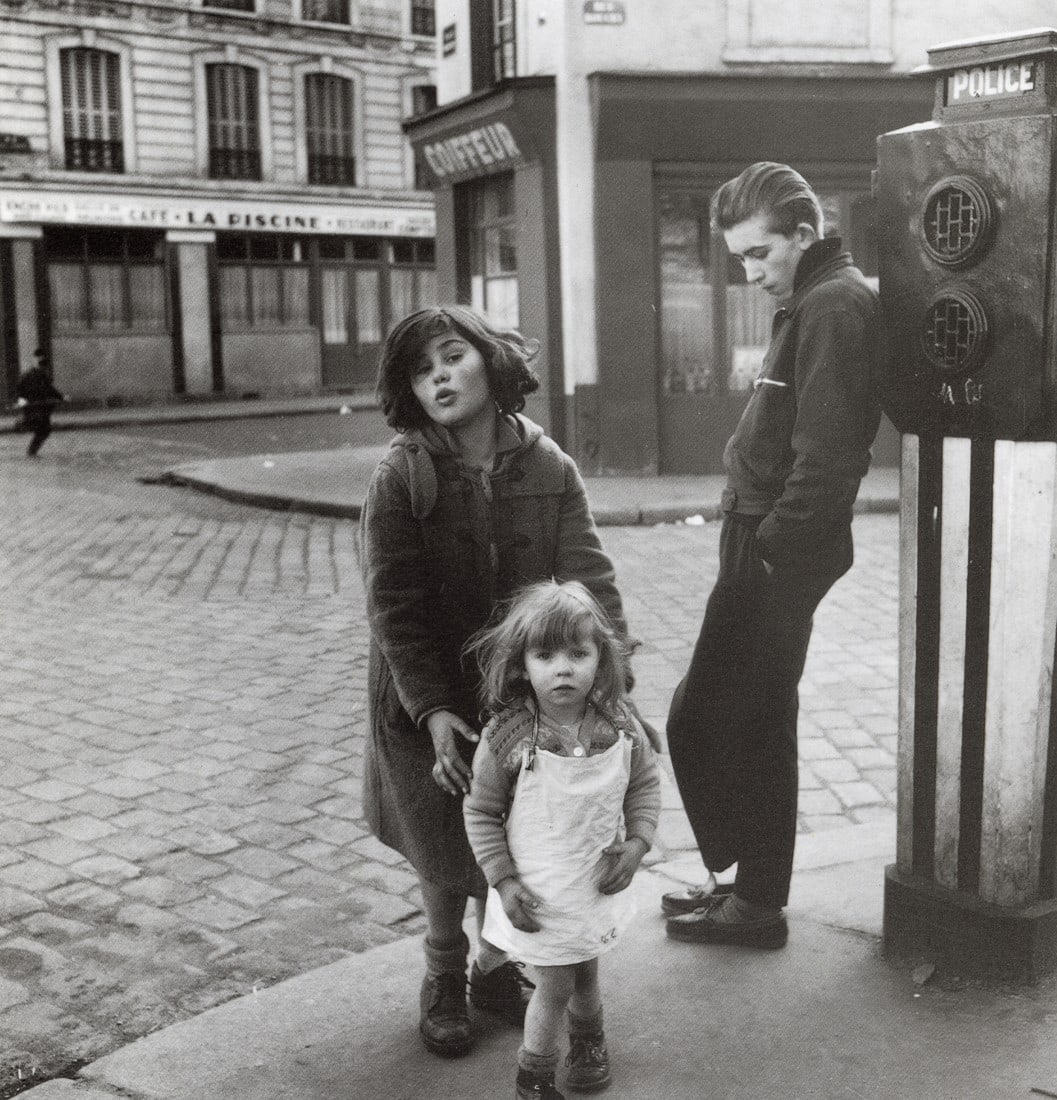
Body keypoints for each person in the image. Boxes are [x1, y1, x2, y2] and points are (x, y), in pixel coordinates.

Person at [360, 306, 632, 1061]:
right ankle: (444, 972)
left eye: (451, 357)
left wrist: (614, 680)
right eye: (421, 369)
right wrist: (433, 711)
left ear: (490, 360)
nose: (439, 376)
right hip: (426, 695)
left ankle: (491, 967)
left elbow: (591, 583)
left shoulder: (549, 467)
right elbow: (393, 607)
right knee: (444, 837)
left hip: (519, 690)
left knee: (516, 831)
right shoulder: (400, 475)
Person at [662, 163, 883, 949]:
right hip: (761, 536)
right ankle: (748, 891)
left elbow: (827, 460)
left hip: (773, 545)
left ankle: (752, 900)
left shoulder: (833, 305)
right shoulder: (814, 298)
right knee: (753, 718)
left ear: (803, 232)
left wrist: (768, 555)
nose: (750, 274)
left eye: (760, 254)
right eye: (738, 260)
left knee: (706, 719)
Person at [463, 580, 660, 1100]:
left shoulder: (619, 726)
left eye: (579, 652)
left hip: (594, 883)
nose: (564, 667)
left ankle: (589, 1042)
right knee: (553, 987)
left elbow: (643, 785)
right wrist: (502, 882)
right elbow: (481, 810)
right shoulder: (508, 737)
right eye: (545, 654)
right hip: (539, 890)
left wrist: (637, 844)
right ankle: (534, 1077)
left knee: (587, 970)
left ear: (602, 658)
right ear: (522, 664)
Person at [16, 347, 64, 457]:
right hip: (33, 407)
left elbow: (50, 389)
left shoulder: (43, 376)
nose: (43, 368)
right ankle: (31, 449)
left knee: (44, 430)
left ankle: (32, 450)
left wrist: (61, 397)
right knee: (43, 429)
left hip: (42, 407)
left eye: (44, 365)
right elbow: (19, 389)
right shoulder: (27, 376)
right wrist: (21, 400)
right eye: (41, 364)